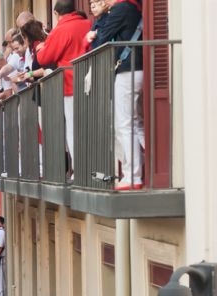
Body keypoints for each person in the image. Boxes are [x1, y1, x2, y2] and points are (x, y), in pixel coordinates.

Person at [90, 0, 145, 190]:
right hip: (138, 68)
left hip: (127, 71)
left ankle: (133, 176)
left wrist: (94, 32)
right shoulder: (134, 8)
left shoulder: (120, 9)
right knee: (136, 123)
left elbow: (102, 38)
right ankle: (146, 166)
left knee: (124, 124)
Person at [35, 0, 91, 174]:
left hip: (70, 84)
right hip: (92, 79)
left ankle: (80, 170)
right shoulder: (88, 23)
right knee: (92, 126)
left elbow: (44, 58)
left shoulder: (60, 30)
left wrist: (40, 48)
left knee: (74, 130)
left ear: (57, 13)